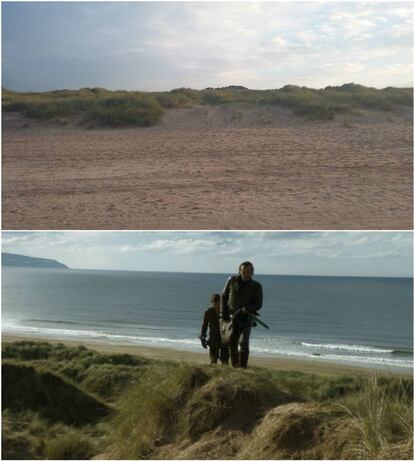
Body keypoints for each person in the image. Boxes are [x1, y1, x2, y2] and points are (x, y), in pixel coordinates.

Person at [221, 261, 263, 368]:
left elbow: (258, 304)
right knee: (232, 342)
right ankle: (235, 366)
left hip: (247, 317)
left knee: (244, 342)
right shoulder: (232, 280)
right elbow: (224, 295)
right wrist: (224, 313)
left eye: (249, 271)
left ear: (252, 272)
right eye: (244, 271)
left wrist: (246, 308)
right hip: (232, 317)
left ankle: (243, 367)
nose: (246, 274)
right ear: (240, 271)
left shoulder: (257, 286)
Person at [199, 293, 229, 365]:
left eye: (218, 303)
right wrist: (203, 336)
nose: (216, 305)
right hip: (213, 338)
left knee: (225, 360)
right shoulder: (208, 311)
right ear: (212, 302)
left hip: (224, 338)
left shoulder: (225, 311)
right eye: (214, 303)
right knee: (213, 360)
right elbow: (204, 325)